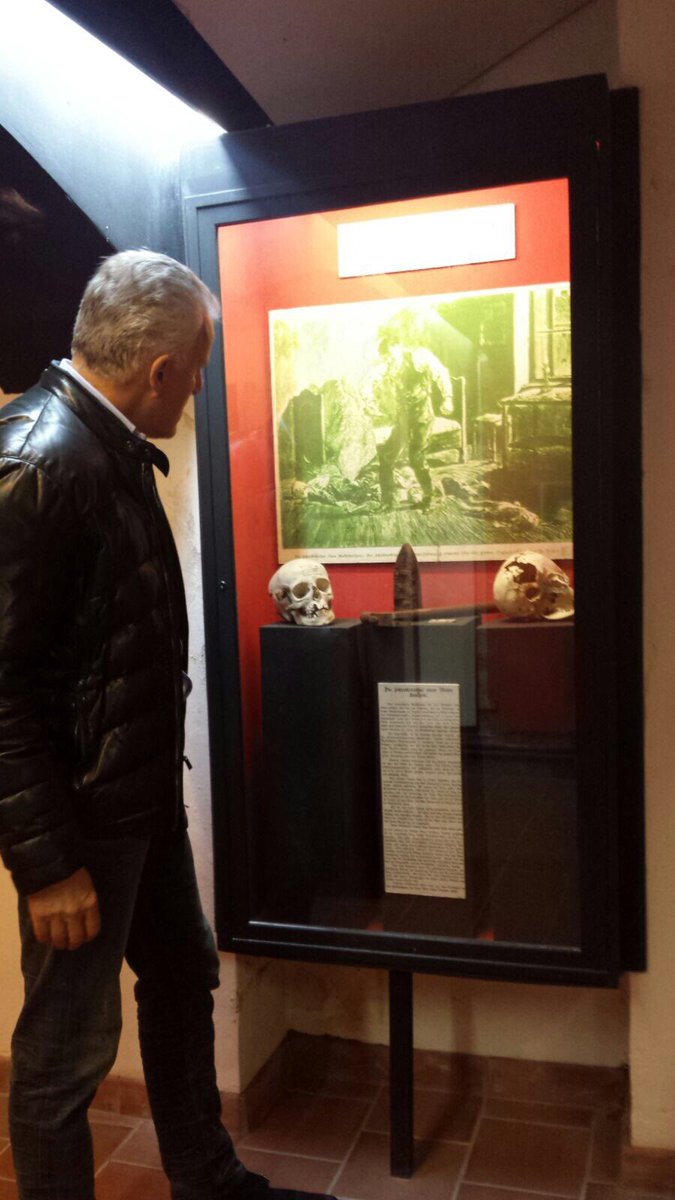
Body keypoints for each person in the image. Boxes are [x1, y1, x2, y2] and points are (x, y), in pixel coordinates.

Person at [0, 250, 335, 1200]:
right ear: (158, 369)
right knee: (65, 1055)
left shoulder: (101, 445)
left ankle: (208, 1181)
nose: (197, 386)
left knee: (183, 976)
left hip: (136, 804)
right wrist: (48, 865)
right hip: (80, 829)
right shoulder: (38, 458)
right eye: (197, 367)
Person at [373, 336, 454, 510]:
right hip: (403, 415)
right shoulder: (388, 367)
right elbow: (379, 385)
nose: (388, 360)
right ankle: (387, 501)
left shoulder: (419, 358)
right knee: (387, 455)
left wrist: (447, 398)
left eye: (390, 356)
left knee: (416, 457)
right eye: (385, 358)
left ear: (398, 348)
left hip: (422, 413)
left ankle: (429, 498)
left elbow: (442, 373)